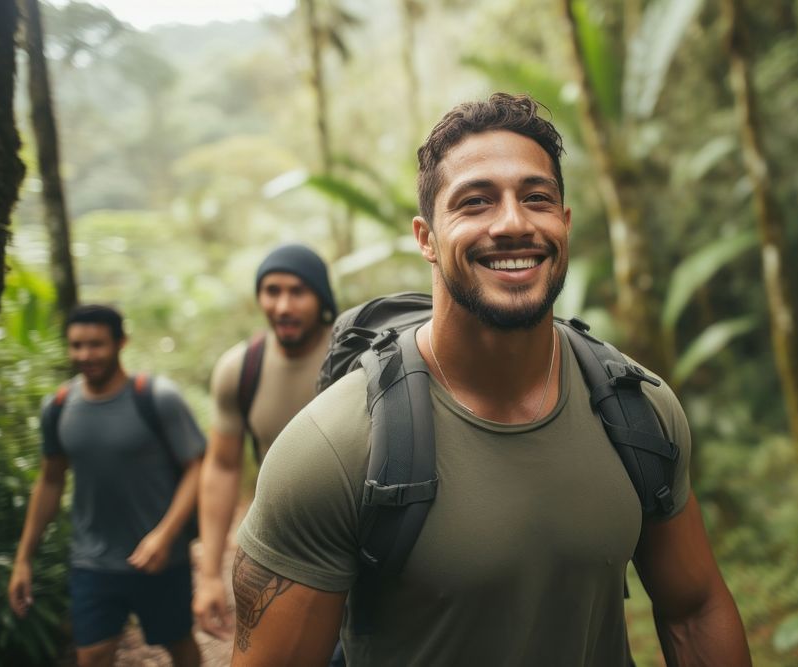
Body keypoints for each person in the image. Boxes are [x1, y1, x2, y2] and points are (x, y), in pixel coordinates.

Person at [230, 93, 752, 666]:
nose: (513, 223)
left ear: (565, 222)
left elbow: (695, 609)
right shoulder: (332, 449)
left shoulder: (639, 413)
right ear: (426, 237)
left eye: (537, 198)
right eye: (475, 202)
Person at [8, 304, 205, 667]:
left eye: (96, 345)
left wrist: (165, 534)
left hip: (160, 559)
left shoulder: (157, 398)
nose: (85, 355)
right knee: (92, 656)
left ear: (120, 343)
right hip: (92, 561)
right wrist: (23, 559)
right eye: (77, 346)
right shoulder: (59, 407)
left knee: (179, 645)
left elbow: (196, 468)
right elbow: (50, 480)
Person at [194, 243, 337, 639]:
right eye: (272, 291)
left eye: (298, 291)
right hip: (279, 551)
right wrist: (208, 574)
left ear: (321, 297)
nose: (284, 305)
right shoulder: (239, 369)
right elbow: (222, 468)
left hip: (358, 550)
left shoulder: (356, 357)